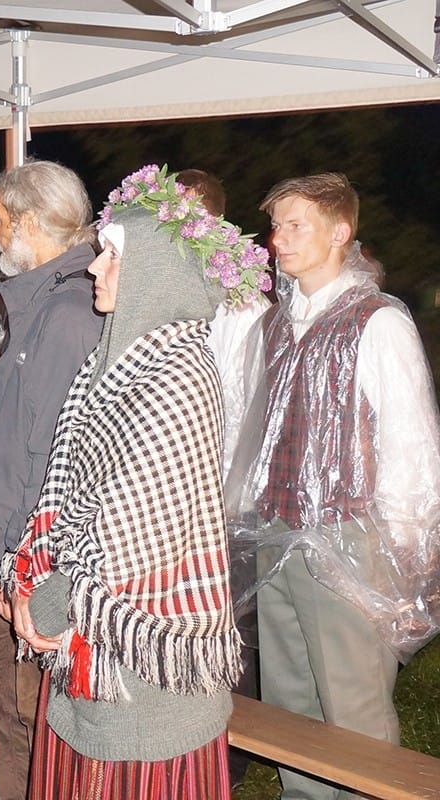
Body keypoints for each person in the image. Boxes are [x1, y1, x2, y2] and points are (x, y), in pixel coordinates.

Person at [6, 165, 266, 799]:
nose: (94, 269)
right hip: (86, 643)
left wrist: (45, 602)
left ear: (155, 270)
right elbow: (61, 494)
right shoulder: (109, 362)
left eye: (112, 258)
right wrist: (29, 576)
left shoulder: (178, 374)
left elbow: (134, 531)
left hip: (147, 653)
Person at [229, 172, 440, 800]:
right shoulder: (272, 327)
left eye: (297, 225)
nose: (278, 239)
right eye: (277, 226)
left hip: (348, 540)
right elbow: (252, 434)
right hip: (275, 532)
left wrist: (404, 552)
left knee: (352, 704)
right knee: (291, 700)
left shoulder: (378, 323)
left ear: (341, 232)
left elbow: (411, 443)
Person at [0, 160, 102, 800]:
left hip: (40, 558)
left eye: (0, 219)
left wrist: (22, 569)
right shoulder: (42, 306)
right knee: (10, 699)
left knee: (30, 707)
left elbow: (48, 461)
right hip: (21, 547)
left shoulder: (66, 316)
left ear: (32, 223)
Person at [177, 166, 270, 789]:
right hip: (175, 487)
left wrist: (223, 497)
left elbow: (244, 411)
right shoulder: (170, 286)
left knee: (233, 621)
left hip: (223, 495)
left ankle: (237, 750)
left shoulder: (246, 303)